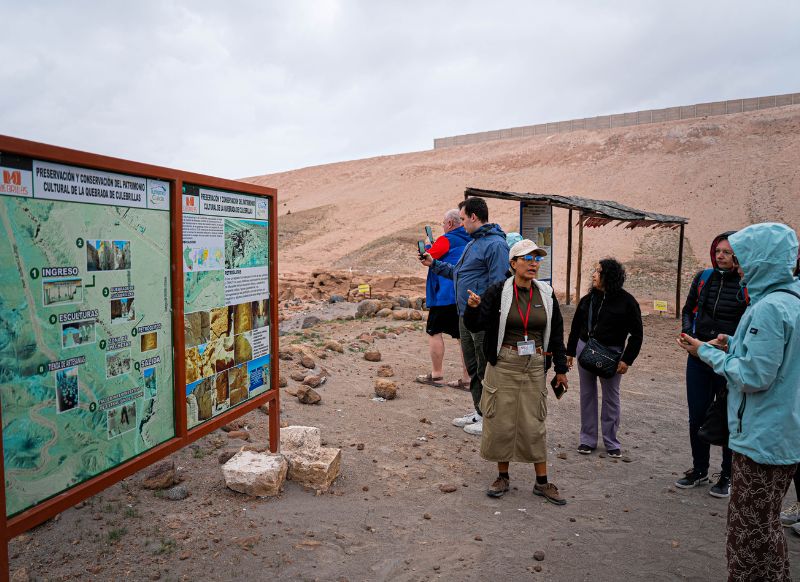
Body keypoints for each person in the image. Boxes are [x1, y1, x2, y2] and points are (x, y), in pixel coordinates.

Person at [677, 222, 800, 582]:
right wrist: (734, 343)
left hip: (763, 438)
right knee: (766, 530)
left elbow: (753, 377)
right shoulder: (791, 301)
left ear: (763, 261)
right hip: (781, 434)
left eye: (745, 259)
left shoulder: (769, 309)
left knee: (748, 536)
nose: (740, 267)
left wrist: (705, 353)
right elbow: (779, 361)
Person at [463, 239, 569, 504]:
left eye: (537, 259)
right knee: (501, 420)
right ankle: (503, 476)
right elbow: (477, 325)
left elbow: (556, 332)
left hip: (534, 364)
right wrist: (473, 308)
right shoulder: (498, 291)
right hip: (504, 362)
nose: (534, 263)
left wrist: (560, 368)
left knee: (534, 423)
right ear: (513, 264)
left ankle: (542, 482)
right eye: (527, 258)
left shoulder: (545, 293)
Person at [420, 197, 509, 435]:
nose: (461, 223)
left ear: (473, 217)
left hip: (481, 316)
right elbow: (458, 272)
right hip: (465, 314)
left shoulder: (495, 245)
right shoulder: (473, 243)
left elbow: (499, 283)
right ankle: (480, 411)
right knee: (473, 366)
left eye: (462, 219)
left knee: (484, 367)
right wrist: (433, 264)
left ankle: (490, 418)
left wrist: (486, 309)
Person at [676, 232, 747, 497]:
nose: (720, 256)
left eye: (726, 252)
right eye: (718, 251)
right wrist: (687, 334)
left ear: (737, 256)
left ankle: (726, 476)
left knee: (727, 418)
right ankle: (699, 469)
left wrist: (730, 344)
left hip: (729, 359)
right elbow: (687, 310)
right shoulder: (703, 278)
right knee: (697, 415)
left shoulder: (744, 284)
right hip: (698, 357)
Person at [566, 258, 643, 458]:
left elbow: (637, 334)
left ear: (609, 276)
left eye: (598, 271)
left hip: (612, 355)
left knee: (611, 398)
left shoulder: (627, 302)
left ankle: (611, 441)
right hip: (586, 349)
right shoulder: (587, 300)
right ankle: (587, 440)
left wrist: (627, 359)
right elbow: (576, 327)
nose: (593, 275)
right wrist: (570, 352)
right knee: (587, 395)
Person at [415, 209, 471, 388]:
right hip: (463, 294)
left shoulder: (446, 239)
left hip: (444, 294)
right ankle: (467, 378)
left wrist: (425, 247)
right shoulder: (471, 238)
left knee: (434, 331)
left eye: (443, 223)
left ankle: (437, 374)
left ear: (450, 224)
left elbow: (430, 255)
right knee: (463, 337)